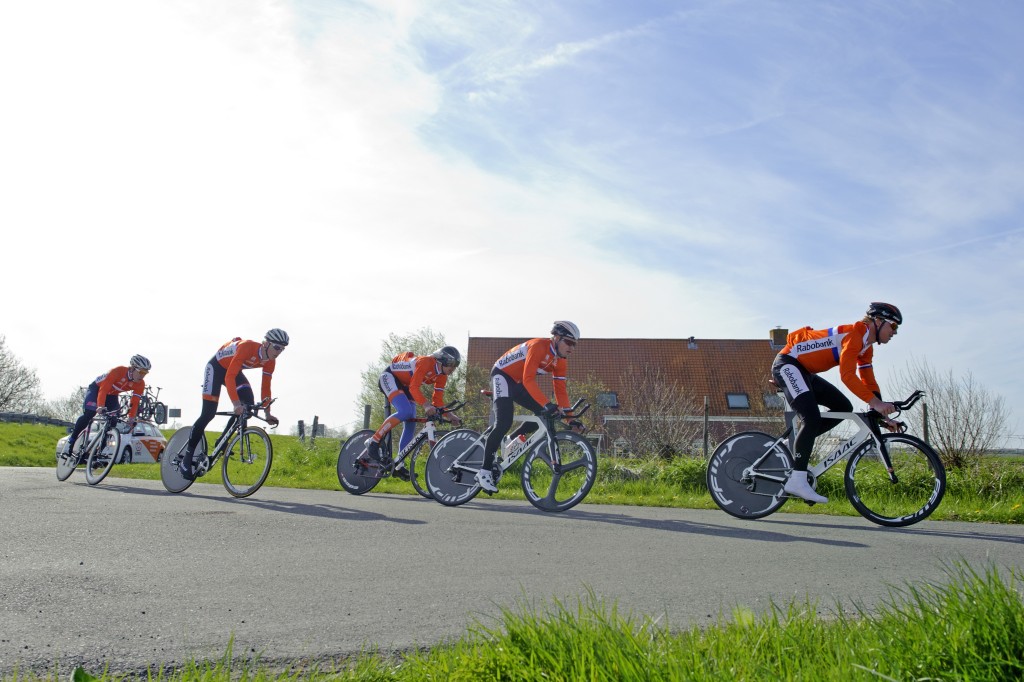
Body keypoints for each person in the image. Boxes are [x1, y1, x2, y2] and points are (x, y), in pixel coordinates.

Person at [771, 302, 902, 504]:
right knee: (812, 418)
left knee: (844, 407)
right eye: (893, 326)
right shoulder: (855, 334)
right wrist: (875, 403)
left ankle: (797, 446)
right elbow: (847, 376)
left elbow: (868, 380)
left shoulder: (866, 347)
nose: (894, 332)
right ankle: (797, 481)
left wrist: (881, 412)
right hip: (788, 364)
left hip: (805, 372)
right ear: (878, 321)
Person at [475, 321, 582, 494]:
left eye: (574, 344)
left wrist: (571, 418)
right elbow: (528, 380)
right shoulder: (539, 346)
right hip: (502, 375)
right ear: (556, 337)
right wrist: (548, 404)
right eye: (568, 342)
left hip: (517, 382)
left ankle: (511, 439)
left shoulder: (561, 361)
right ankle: (484, 471)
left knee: (543, 415)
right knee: (504, 421)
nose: (571, 348)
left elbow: (561, 391)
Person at [179, 329, 288, 479]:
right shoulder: (247, 347)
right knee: (208, 413)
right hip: (216, 368)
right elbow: (229, 376)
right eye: (277, 347)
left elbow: (266, 387)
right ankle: (187, 458)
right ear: (266, 343)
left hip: (233, 371)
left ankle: (222, 441)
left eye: (282, 349)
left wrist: (267, 412)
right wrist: (236, 403)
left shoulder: (270, 361)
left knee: (248, 406)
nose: (279, 352)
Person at [363, 346, 463, 480]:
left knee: (411, 422)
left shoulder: (442, 376)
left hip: (406, 384)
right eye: (451, 365)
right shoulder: (426, 362)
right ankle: (373, 441)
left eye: (456, 365)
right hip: (390, 377)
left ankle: (399, 465)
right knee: (405, 411)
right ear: (442, 361)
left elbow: (438, 400)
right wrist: (426, 405)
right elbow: (414, 387)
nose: (453, 369)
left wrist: (450, 416)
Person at [66, 355, 152, 456]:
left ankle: (98, 450)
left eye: (145, 373)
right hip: (97, 389)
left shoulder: (140, 384)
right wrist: (100, 406)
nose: (143, 375)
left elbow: (135, 401)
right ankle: (72, 440)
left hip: (112, 395)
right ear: (133, 368)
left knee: (113, 420)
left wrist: (131, 417)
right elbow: (103, 389)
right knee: (89, 413)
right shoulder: (117, 371)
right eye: (141, 372)